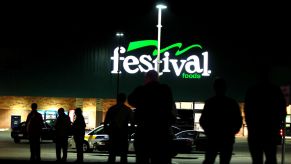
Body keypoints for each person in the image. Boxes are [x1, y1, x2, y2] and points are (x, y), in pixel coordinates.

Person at [128, 70, 176, 164]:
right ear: (157, 77)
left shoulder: (141, 90)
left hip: (144, 130)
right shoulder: (165, 89)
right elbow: (170, 106)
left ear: (147, 78)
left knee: (142, 158)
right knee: (160, 158)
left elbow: (130, 100)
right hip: (161, 131)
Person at [244, 69, 286, 164]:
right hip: (270, 132)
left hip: (255, 132)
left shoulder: (252, 90)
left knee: (256, 159)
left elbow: (247, 111)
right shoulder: (275, 90)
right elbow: (282, 111)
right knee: (271, 158)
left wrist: (251, 127)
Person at [199, 77, 242, 164]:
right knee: (225, 161)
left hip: (213, 137)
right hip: (227, 137)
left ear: (214, 88)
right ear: (225, 88)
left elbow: (203, 120)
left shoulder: (210, 103)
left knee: (209, 160)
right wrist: (232, 131)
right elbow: (238, 120)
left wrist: (208, 131)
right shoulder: (232, 103)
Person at [104, 92, 133, 164]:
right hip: (123, 133)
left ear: (117, 99)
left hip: (113, 133)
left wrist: (107, 130)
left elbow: (106, 121)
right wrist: (130, 132)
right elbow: (132, 122)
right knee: (123, 154)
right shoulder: (128, 110)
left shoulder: (112, 109)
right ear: (124, 100)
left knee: (112, 153)